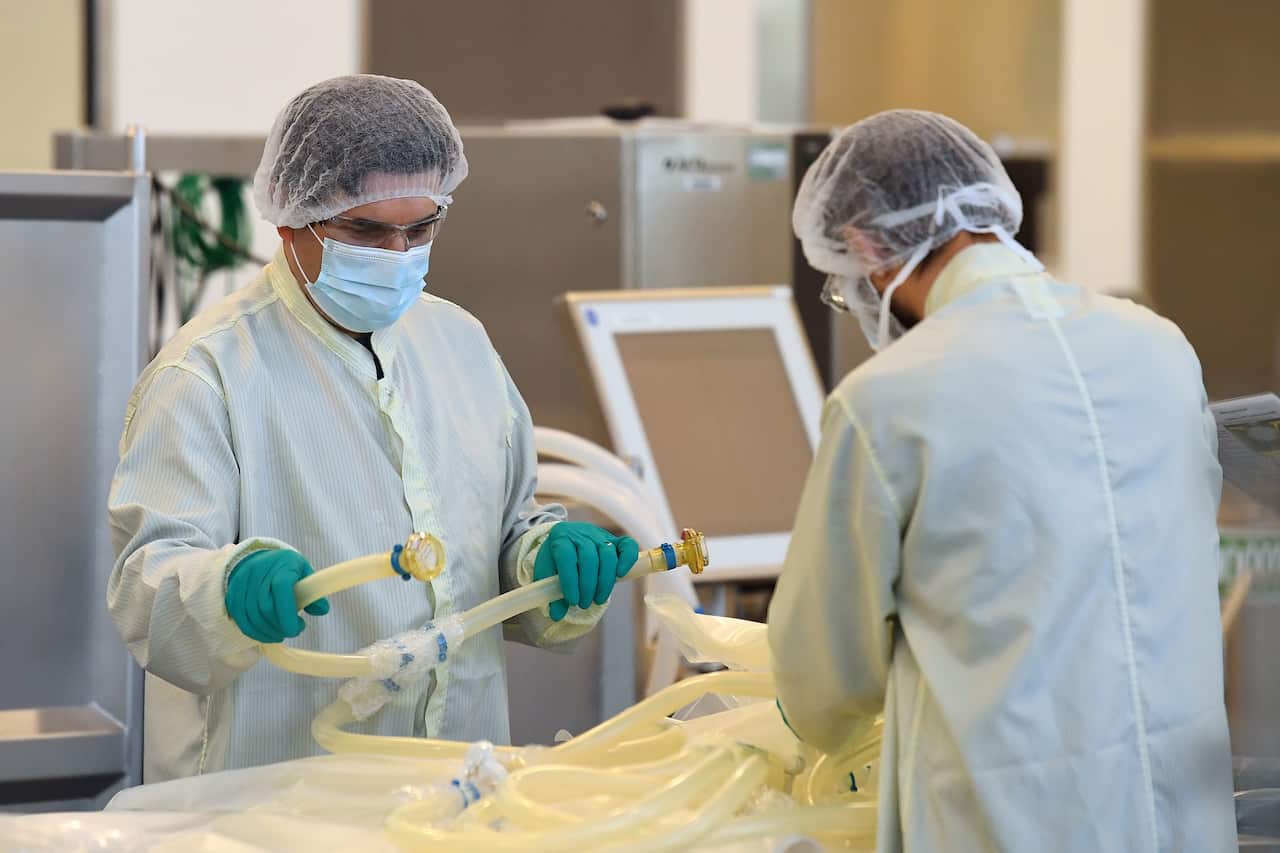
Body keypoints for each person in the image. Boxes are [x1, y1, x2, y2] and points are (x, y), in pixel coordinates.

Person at [108, 75, 638, 783]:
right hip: (275, 796)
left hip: (452, 787)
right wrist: (224, 588)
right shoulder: (206, 375)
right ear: (290, 219)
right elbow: (147, 588)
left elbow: (504, 533)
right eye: (365, 230)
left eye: (421, 229)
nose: (396, 253)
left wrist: (543, 562)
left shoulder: (461, 345)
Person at [768, 110, 1236, 851]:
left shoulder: (890, 397)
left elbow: (825, 678)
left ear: (865, 245)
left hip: (1013, 820)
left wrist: (771, 727)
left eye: (847, 282)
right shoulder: (1158, 345)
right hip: (1181, 817)